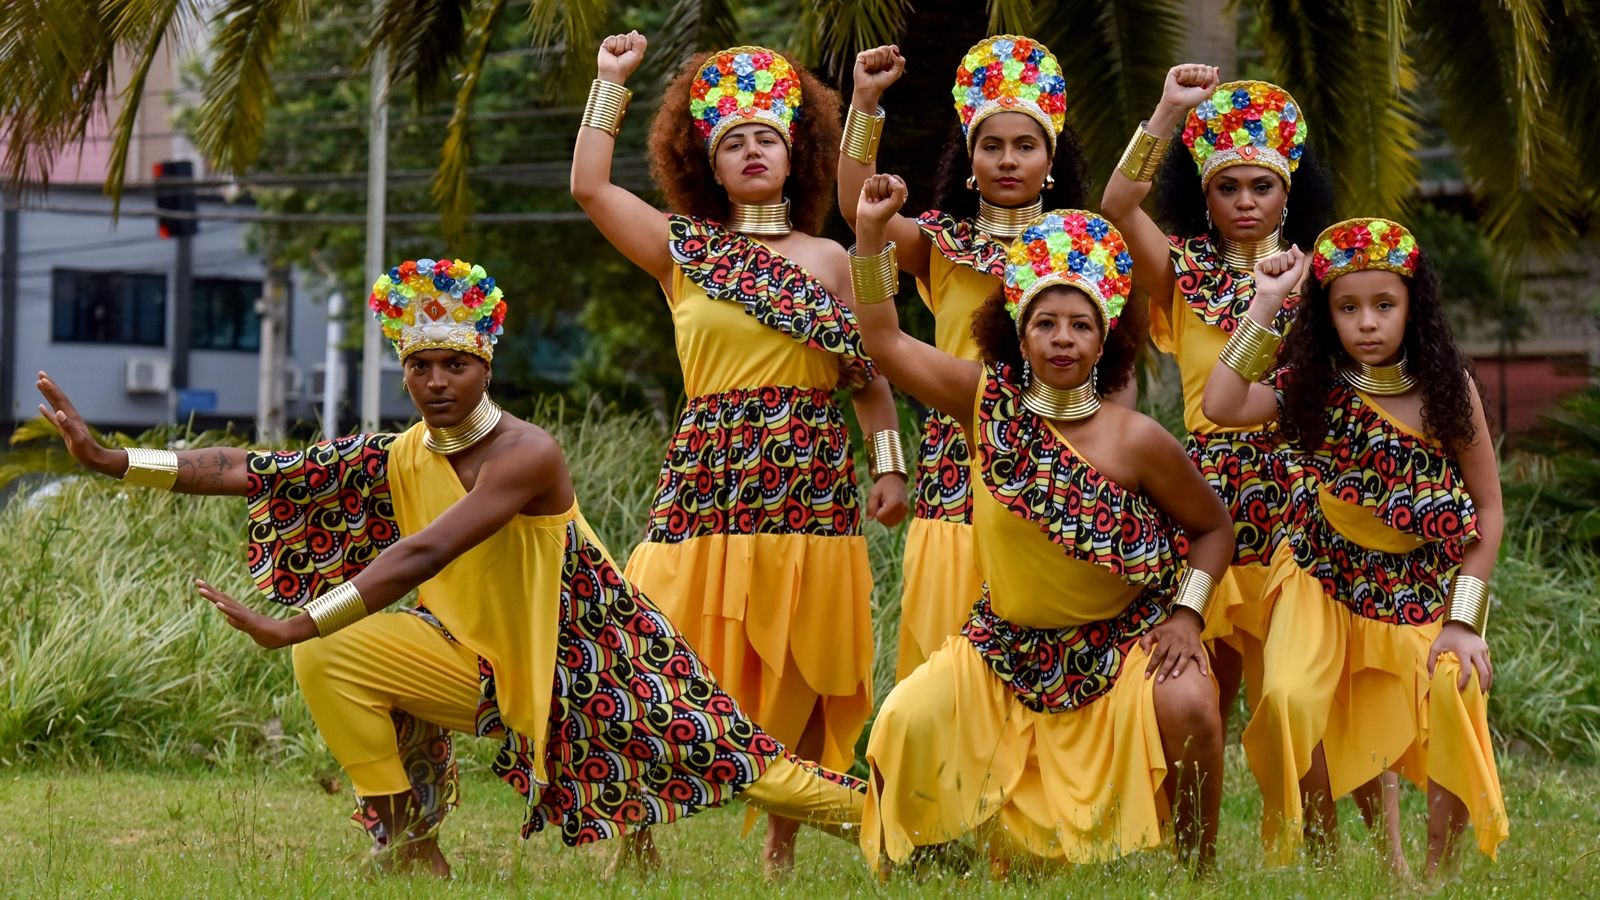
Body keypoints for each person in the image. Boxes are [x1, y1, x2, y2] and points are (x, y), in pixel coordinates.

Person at [31, 256, 867, 878]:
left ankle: (903, 827)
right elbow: (260, 468)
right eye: (421, 366)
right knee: (336, 652)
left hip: (592, 671)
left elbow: (425, 551)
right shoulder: (402, 453)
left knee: (756, 773)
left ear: (486, 366)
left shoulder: (528, 453)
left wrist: (292, 621)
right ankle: (408, 844)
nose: (436, 381)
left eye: (455, 364)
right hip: (479, 670)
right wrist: (113, 461)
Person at [569, 32, 907, 875]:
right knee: (649, 649)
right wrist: (611, 82)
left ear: (796, 157)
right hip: (705, 474)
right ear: (707, 166)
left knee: (802, 654)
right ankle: (635, 836)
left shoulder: (833, 258)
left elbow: (868, 374)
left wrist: (891, 464)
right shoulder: (681, 250)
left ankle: (781, 849)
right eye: (733, 142)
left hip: (811, 479)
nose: (752, 152)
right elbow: (588, 186)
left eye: (768, 138)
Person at [848, 175, 1232, 874]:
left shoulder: (1137, 439)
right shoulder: (983, 402)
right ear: (1017, 332)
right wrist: (871, 235)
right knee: (902, 719)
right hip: (1003, 643)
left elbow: (1213, 529)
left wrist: (1187, 616)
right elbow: (882, 340)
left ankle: (1197, 871)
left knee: (1193, 706)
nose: (1062, 339)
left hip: (1122, 644)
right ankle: (929, 861)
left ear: (1104, 336)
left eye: (1080, 324)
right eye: (1045, 322)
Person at [1202, 221, 1508, 875]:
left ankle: (1435, 876)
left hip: (1419, 587)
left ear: (1412, 307)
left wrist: (1464, 622)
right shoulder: (1313, 387)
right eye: (1348, 308)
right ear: (1327, 315)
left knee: (1455, 690)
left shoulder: (1450, 391)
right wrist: (1264, 302)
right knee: (1286, 698)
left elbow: (1488, 511)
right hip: (1319, 573)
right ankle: (1321, 856)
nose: (1366, 322)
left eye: (1383, 305)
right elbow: (1222, 403)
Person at [835, 35, 1111, 680]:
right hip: (958, 464)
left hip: (1057, 458)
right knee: (943, 646)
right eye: (991, 145)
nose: (1007, 160)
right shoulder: (941, 246)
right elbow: (860, 210)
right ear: (969, 157)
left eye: (1025, 146)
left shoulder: (1084, 248)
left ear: (1051, 159)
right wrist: (867, 102)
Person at [1100, 65, 1336, 730]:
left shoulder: (1320, 280)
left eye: (1262, 186)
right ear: (1203, 195)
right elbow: (1117, 208)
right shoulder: (1182, 273)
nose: (1244, 201)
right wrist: (1168, 107)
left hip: (1300, 497)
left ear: (1288, 193)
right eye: (1225, 186)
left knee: (1299, 701)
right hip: (1203, 504)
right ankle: (1193, 833)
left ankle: (1341, 839)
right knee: (1198, 689)